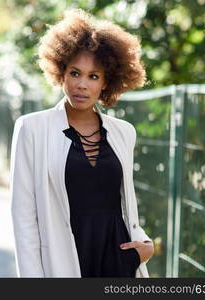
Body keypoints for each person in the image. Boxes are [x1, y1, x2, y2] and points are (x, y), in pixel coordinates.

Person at [10, 9, 154, 278]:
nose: (82, 85)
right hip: (62, 259)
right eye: (75, 73)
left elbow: (125, 203)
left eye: (94, 76)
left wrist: (144, 246)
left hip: (118, 261)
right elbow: (24, 218)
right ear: (61, 72)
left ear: (106, 82)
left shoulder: (124, 132)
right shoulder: (32, 128)